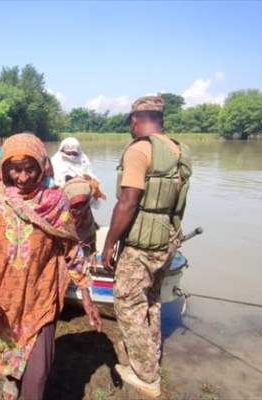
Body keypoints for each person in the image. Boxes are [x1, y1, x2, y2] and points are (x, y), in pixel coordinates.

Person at [0, 133, 102, 400]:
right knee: (10, 351)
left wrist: (86, 294)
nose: (22, 177)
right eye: (15, 169)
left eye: (29, 169)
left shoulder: (56, 201)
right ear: (4, 169)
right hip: (3, 298)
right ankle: (12, 378)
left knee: (38, 372)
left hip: (42, 294)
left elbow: (70, 247)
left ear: (42, 165)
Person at [101, 96, 192, 398]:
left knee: (127, 302)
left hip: (142, 244)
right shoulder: (179, 150)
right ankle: (149, 356)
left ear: (135, 120)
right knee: (151, 299)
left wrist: (110, 243)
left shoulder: (140, 149)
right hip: (167, 239)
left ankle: (145, 375)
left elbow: (128, 201)